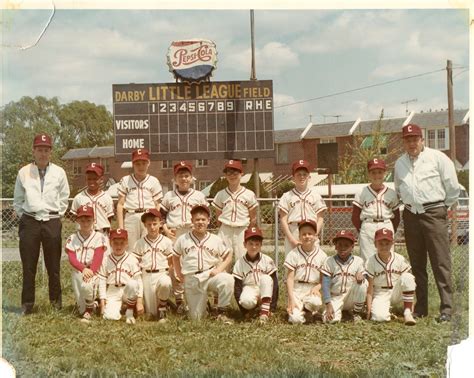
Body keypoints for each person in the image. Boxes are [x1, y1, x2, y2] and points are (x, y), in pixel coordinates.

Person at [394, 124, 459, 323]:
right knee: (417, 264)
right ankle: (421, 308)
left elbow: (453, 187)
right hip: (411, 215)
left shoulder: (437, 158)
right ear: (404, 142)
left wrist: (441, 208)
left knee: (441, 262)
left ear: (422, 140)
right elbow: (398, 189)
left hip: (433, 212)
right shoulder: (399, 164)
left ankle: (447, 309)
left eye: (415, 139)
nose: (412, 143)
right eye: (408, 140)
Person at [13, 133, 70, 314]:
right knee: (29, 266)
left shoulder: (59, 172)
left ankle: (55, 304)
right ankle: (27, 305)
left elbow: (64, 197)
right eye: (39, 150)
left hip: (52, 221)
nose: (43, 153)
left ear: (50, 152)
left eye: (46, 150)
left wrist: (56, 214)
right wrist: (27, 215)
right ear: (34, 151)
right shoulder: (24, 172)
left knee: (53, 266)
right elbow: (18, 200)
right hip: (30, 221)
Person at [172, 205, 234, 322]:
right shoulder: (183, 239)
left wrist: (219, 269)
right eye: (197, 219)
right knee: (196, 318)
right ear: (192, 221)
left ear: (208, 221)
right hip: (192, 278)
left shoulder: (215, 239)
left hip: (209, 275)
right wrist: (179, 273)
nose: (200, 222)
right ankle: (205, 306)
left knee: (227, 279)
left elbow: (228, 256)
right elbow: (175, 256)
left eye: (203, 219)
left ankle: (221, 313)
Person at [161, 161, 208, 313]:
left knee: (192, 265)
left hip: (191, 232)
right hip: (174, 233)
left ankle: (195, 298)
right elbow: (161, 216)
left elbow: (207, 215)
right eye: (180, 176)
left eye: (186, 175)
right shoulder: (169, 195)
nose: (184, 179)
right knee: (174, 267)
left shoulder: (199, 195)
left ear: (192, 178)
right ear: (175, 178)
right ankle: (179, 300)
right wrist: (166, 230)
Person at [64, 205, 108, 323]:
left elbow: (98, 257)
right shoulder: (72, 238)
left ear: (94, 221)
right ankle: (93, 303)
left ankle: (90, 310)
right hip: (78, 271)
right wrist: (83, 269)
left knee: (87, 286)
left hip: (93, 270)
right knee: (80, 310)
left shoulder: (99, 237)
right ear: (77, 221)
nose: (85, 223)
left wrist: (90, 272)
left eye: (89, 220)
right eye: (82, 220)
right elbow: (72, 258)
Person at [352, 158, 400, 261]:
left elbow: (396, 217)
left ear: (385, 173)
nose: (376, 175)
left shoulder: (391, 193)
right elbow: (355, 217)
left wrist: (391, 228)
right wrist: (362, 229)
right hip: (368, 225)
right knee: (367, 260)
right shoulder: (362, 192)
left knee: (387, 258)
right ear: (368, 174)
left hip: (386, 224)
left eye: (380, 172)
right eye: (373, 172)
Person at [365, 228, 416, 326]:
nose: (384, 247)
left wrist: (412, 307)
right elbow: (370, 288)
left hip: (397, 291)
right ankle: (389, 313)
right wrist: (369, 309)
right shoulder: (370, 261)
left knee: (408, 276)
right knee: (379, 318)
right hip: (380, 293)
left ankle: (407, 312)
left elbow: (410, 284)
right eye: (381, 243)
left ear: (392, 243)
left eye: (387, 243)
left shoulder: (399, 259)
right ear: (375, 244)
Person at [116, 148, 163, 251]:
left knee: (148, 247)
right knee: (131, 248)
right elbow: (120, 204)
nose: (141, 166)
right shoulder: (125, 180)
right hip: (131, 215)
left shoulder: (153, 181)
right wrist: (121, 226)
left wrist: (155, 221)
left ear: (148, 163)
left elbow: (157, 205)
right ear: (133, 164)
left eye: (143, 163)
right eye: (137, 164)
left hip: (148, 216)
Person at [212, 159, 258, 261]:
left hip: (242, 229)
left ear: (241, 173)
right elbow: (218, 217)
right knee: (221, 259)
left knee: (243, 260)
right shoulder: (220, 194)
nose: (232, 175)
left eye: (235, 172)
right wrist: (223, 227)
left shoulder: (249, 194)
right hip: (225, 229)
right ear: (226, 175)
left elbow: (253, 217)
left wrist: (248, 231)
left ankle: (242, 277)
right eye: (229, 172)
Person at [278, 160, 327, 256]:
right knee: (293, 263)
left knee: (313, 263)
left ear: (309, 176)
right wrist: (291, 239)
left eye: (304, 174)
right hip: (294, 230)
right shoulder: (287, 196)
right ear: (293, 177)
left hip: (311, 230)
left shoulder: (315, 196)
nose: (302, 177)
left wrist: (315, 234)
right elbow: (283, 219)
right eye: (299, 174)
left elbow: (320, 218)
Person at [132, 209, 173, 322]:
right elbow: (135, 263)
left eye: (155, 224)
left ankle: (163, 308)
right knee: (150, 312)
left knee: (165, 283)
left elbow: (171, 262)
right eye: (149, 224)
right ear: (144, 225)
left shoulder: (166, 241)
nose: (152, 227)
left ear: (160, 223)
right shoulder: (139, 243)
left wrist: (168, 274)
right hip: (146, 275)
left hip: (161, 273)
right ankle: (164, 304)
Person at [284, 220, 327, 324]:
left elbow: (323, 280)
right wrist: (291, 299)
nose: (307, 236)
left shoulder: (322, 255)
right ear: (299, 236)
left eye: (310, 233)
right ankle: (305, 313)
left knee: (315, 302)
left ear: (316, 236)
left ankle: (307, 310)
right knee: (295, 320)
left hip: (312, 288)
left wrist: (318, 287)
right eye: (303, 234)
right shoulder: (293, 254)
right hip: (297, 288)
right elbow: (289, 279)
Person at [233, 226, 278, 323]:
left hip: (265, 289)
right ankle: (252, 310)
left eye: (257, 244)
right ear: (244, 244)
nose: (254, 247)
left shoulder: (267, 260)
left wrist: (273, 307)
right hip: (249, 288)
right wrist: (244, 312)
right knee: (246, 301)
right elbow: (237, 288)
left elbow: (275, 284)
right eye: (250, 243)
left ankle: (264, 313)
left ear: (261, 245)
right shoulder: (239, 263)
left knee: (266, 278)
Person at [98, 229, 143, 325]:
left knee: (133, 283)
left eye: (122, 243)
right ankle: (122, 307)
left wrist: (139, 302)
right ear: (110, 243)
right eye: (115, 243)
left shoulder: (132, 259)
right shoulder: (106, 260)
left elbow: (139, 281)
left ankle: (130, 311)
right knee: (109, 317)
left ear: (126, 243)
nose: (118, 246)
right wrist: (102, 304)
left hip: (127, 290)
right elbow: (102, 282)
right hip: (113, 290)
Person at [321, 230, 367, 323]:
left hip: (351, 296)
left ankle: (356, 312)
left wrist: (361, 275)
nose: (342, 248)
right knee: (329, 320)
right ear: (335, 246)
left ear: (352, 247)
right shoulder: (329, 261)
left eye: (346, 245)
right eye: (339, 244)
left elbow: (364, 277)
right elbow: (325, 284)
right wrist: (328, 304)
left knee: (363, 283)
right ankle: (342, 313)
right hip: (335, 297)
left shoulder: (358, 261)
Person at [71, 162, 114, 236]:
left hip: (102, 233)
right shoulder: (79, 197)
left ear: (101, 179)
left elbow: (109, 218)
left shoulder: (107, 197)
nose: (92, 181)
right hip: (84, 234)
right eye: (89, 179)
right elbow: (75, 217)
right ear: (85, 179)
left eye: (95, 179)